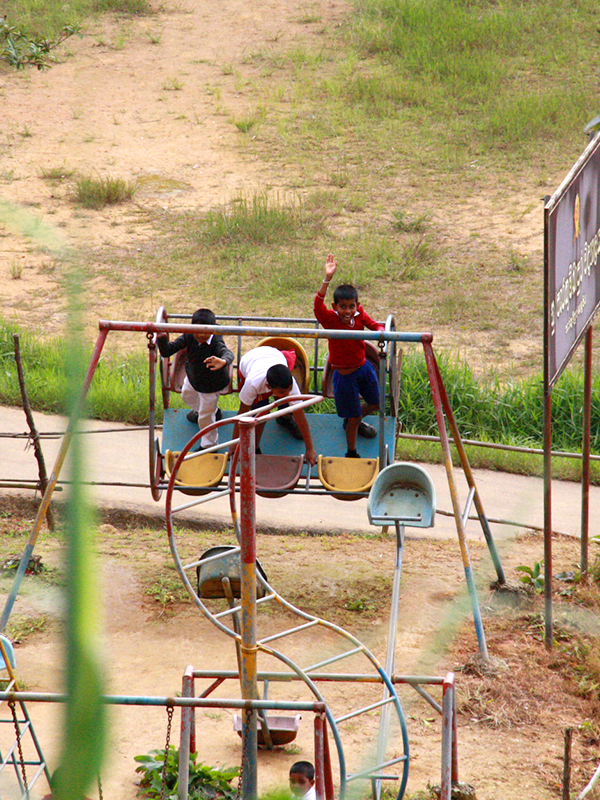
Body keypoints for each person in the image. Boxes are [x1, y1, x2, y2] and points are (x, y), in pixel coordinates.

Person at [314, 253, 384, 458]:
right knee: (353, 417)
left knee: (376, 403)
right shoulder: (330, 320)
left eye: (351, 306)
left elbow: (374, 325)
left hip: (363, 369)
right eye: (342, 307)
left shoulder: (359, 313)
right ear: (335, 307)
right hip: (344, 377)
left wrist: (384, 333)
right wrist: (327, 279)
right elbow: (318, 306)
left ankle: (353, 420)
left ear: (356, 305)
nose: (347, 311)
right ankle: (351, 451)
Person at [156, 308, 234, 450]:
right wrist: (161, 338)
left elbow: (227, 353)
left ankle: (209, 445)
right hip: (193, 378)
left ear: (212, 329)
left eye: (205, 331)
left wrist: (223, 361)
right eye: (197, 330)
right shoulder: (189, 335)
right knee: (187, 396)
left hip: (211, 385)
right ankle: (213, 412)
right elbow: (167, 350)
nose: (201, 335)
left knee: (205, 418)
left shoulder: (216, 340)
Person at [230, 345, 317, 466]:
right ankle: (255, 448)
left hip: (273, 355)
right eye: (282, 392)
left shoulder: (290, 383)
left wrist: (310, 449)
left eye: (289, 390)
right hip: (250, 361)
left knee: (289, 404)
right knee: (259, 411)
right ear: (269, 388)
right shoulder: (253, 384)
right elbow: (242, 415)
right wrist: (233, 449)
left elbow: (300, 416)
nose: (287, 394)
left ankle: (284, 418)